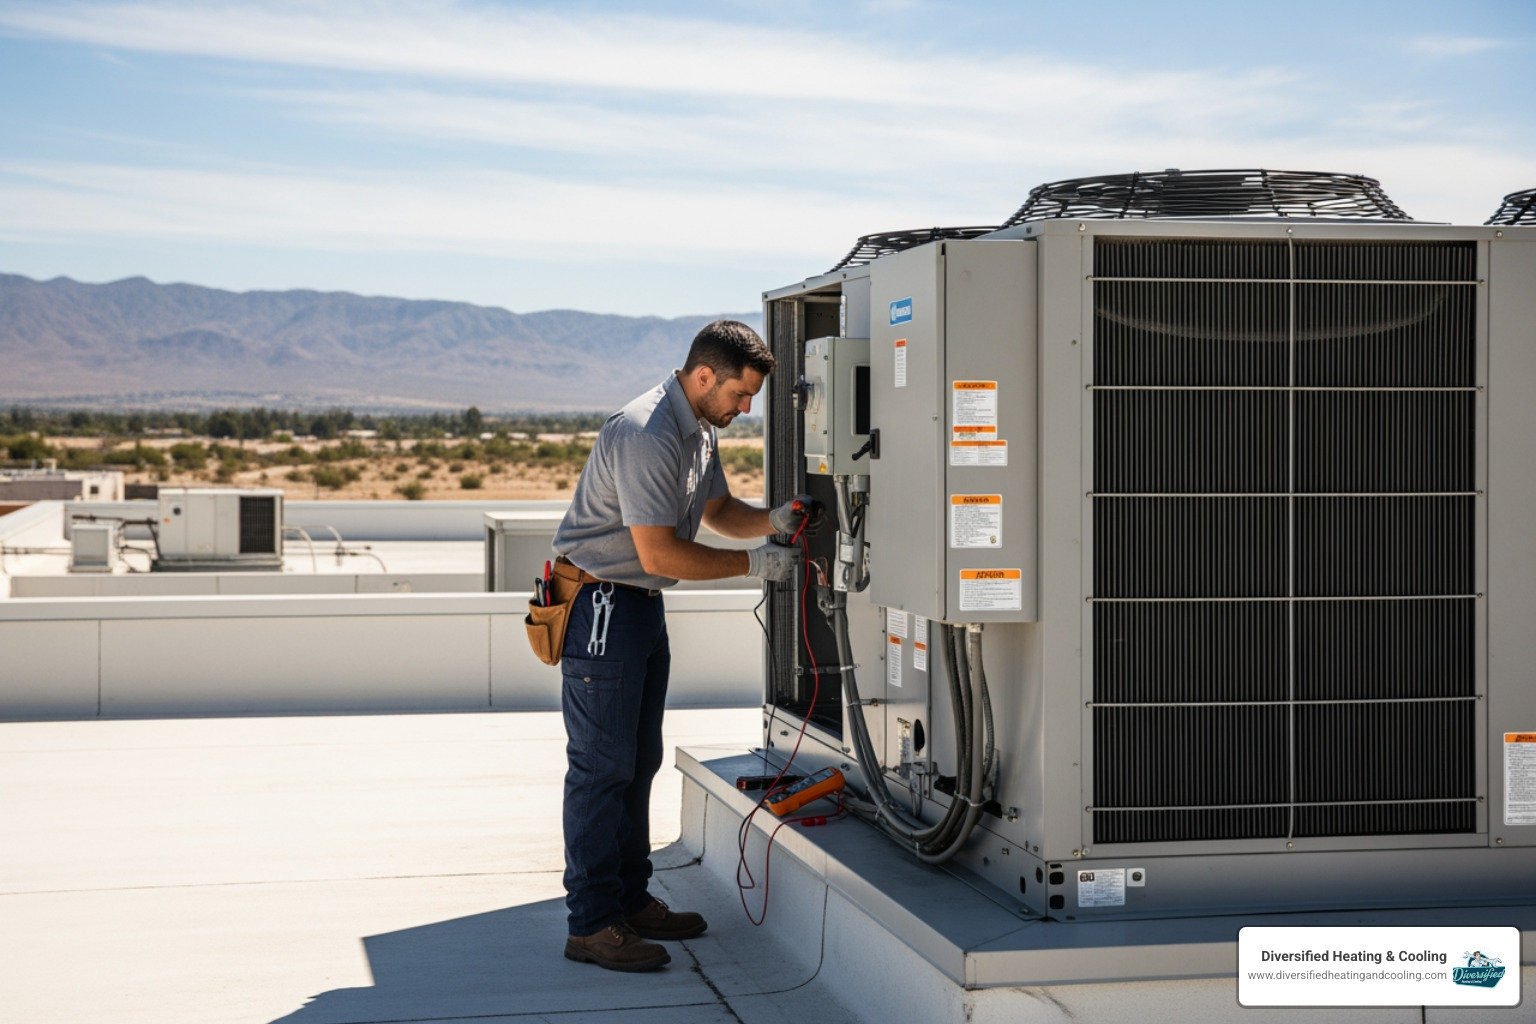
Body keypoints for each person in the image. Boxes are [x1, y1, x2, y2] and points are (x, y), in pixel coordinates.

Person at [552, 319, 814, 972]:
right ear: (704, 376)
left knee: (637, 763)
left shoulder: (697, 427)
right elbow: (661, 549)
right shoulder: (647, 432)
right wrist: (757, 567)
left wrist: (774, 520)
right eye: (740, 395)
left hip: (638, 606)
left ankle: (631, 901)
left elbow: (719, 511)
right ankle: (591, 924)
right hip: (603, 604)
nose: (744, 408)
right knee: (599, 770)